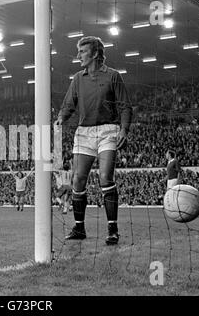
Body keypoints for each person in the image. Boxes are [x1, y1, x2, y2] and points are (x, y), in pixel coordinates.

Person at [54, 36, 132, 245]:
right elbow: (69, 104)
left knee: (106, 177)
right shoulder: (78, 78)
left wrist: (124, 129)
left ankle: (112, 230)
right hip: (84, 133)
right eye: (78, 51)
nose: (78, 55)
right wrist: (62, 117)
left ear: (95, 54)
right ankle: (79, 228)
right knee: (78, 179)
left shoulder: (113, 76)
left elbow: (125, 106)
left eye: (82, 51)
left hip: (108, 131)